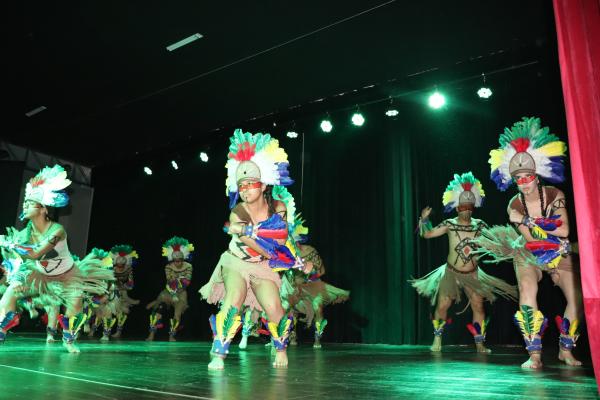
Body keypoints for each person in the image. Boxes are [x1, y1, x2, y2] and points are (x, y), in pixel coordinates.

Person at [475, 117, 583, 368]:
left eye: (528, 177)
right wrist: (539, 233)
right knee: (526, 288)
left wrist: (527, 219)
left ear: (538, 176)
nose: (523, 183)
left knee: (576, 297)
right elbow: (532, 240)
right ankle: (534, 353)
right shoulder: (513, 204)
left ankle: (565, 349)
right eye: (518, 179)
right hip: (528, 252)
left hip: (560, 250)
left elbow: (564, 228)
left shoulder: (554, 195)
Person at [200, 129, 303, 370]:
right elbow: (252, 241)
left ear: (263, 183)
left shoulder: (277, 206)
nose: (245, 190)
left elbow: (279, 238)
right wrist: (251, 236)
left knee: (274, 307)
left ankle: (281, 348)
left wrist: (291, 257)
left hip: (263, 267)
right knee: (233, 298)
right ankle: (219, 353)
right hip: (236, 262)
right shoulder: (238, 211)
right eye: (241, 186)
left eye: (250, 184)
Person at [0, 165, 114, 352]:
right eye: (25, 202)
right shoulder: (24, 234)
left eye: (30, 203)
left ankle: (68, 339)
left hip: (66, 275)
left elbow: (36, 253)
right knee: (9, 293)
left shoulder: (57, 231)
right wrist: (17, 278)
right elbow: (21, 259)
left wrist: (11, 244)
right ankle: (1, 329)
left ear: (44, 208)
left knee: (76, 301)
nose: (25, 205)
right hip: (37, 273)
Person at [410, 172, 517, 352]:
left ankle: (479, 343)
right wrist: (424, 219)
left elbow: (494, 241)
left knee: (478, 306)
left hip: (473, 274)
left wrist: (508, 244)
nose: (467, 210)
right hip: (451, 272)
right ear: (457, 207)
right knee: (443, 304)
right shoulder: (450, 224)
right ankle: (437, 339)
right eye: (463, 207)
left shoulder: (480, 225)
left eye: (469, 206)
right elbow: (426, 234)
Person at [146, 236, 193, 342]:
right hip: (168, 292)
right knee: (158, 310)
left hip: (181, 293)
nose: (178, 262)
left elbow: (186, 282)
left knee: (177, 313)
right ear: (172, 259)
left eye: (180, 260)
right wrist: (173, 292)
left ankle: (172, 335)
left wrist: (178, 291)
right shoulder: (168, 267)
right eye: (175, 260)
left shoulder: (188, 266)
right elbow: (170, 281)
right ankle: (151, 334)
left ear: (183, 258)